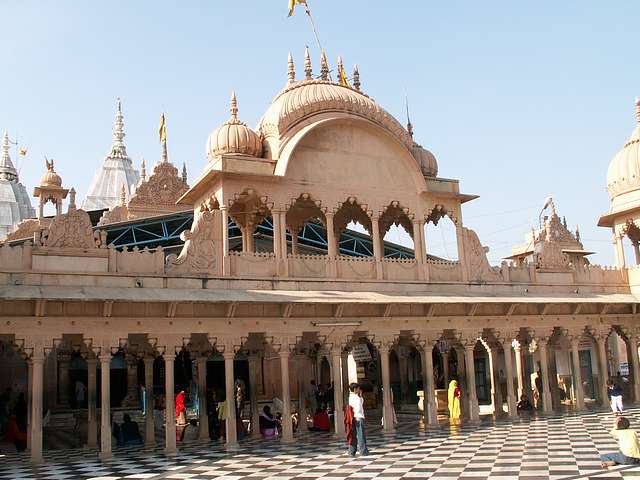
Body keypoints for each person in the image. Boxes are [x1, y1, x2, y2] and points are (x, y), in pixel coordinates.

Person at [346, 383, 369, 457]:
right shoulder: (356, 398)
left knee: (353, 435)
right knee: (361, 435)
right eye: (358, 389)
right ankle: (363, 451)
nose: (359, 390)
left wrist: (360, 396)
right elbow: (359, 408)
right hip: (358, 417)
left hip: (353, 418)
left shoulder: (351, 397)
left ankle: (351, 451)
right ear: (355, 389)